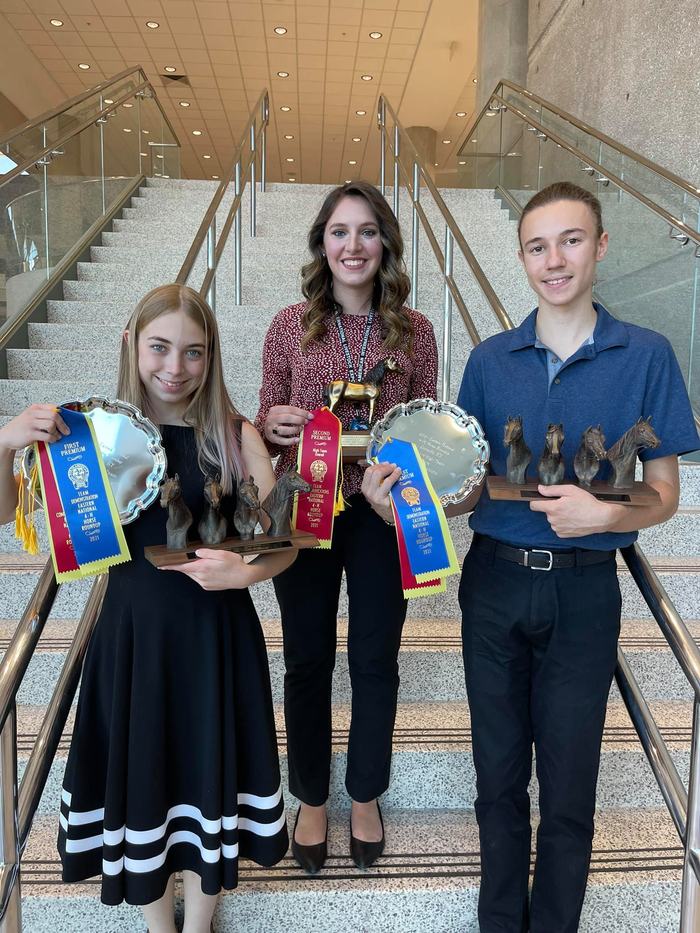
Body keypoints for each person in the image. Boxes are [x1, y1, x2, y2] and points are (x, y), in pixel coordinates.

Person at [0, 284, 293, 933]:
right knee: (148, 784)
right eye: (160, 347)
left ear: (211, 356)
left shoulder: (234, 434)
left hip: (217, 637)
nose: (175, 366)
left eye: (193, 352)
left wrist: (244, 570)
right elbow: (4, 513)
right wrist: (7, 442)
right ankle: (162, 925)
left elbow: (284, 543)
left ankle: (199, 924)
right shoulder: (94, 433)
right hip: (132, 639)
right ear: (132, 344)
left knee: (208, 773)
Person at [452, 181, 698, 932]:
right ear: (522, 256)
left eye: (570, 240)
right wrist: (413, 492)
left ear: (600, 247)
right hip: (493, 583)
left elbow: (663, 492)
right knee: (497, 781)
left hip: (586, 593)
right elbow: (467, 490)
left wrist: (602, 513)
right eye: (537, 245)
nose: (553, 260)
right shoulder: (491, 361)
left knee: (568, 787)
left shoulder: (646, 355)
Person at [254, 181, 438, 873]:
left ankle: (364, 792)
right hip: (305, 508)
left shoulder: (415, 331)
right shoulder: (287, 325)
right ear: (321, 243)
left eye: (366, 232)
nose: (353, 245)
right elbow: (264, 424)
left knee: (374, 660)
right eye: (339, 231)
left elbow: (422, 427)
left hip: (382, 511)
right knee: (306, 658)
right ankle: (308, 796)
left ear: (384, 242)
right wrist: (270, 426)